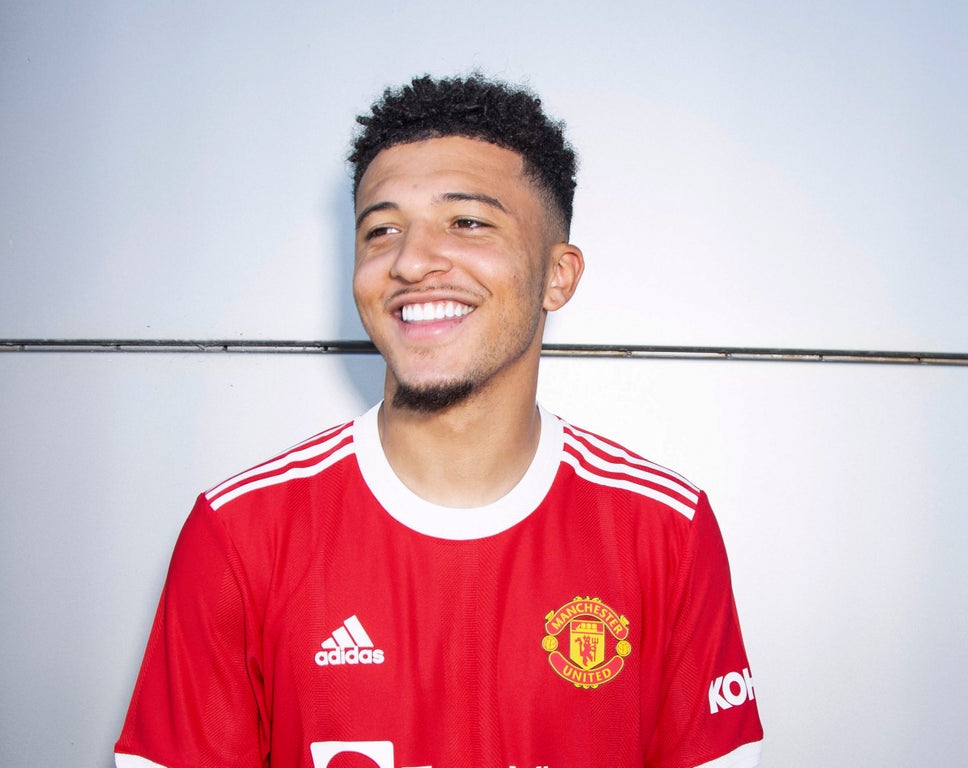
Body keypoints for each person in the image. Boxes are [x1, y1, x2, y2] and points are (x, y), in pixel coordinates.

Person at [115, 73, 763, 768]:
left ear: (558, 276)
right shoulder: (240, 534)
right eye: (382, 230)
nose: (411, 260)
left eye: (467, 222)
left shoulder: (665, 529)